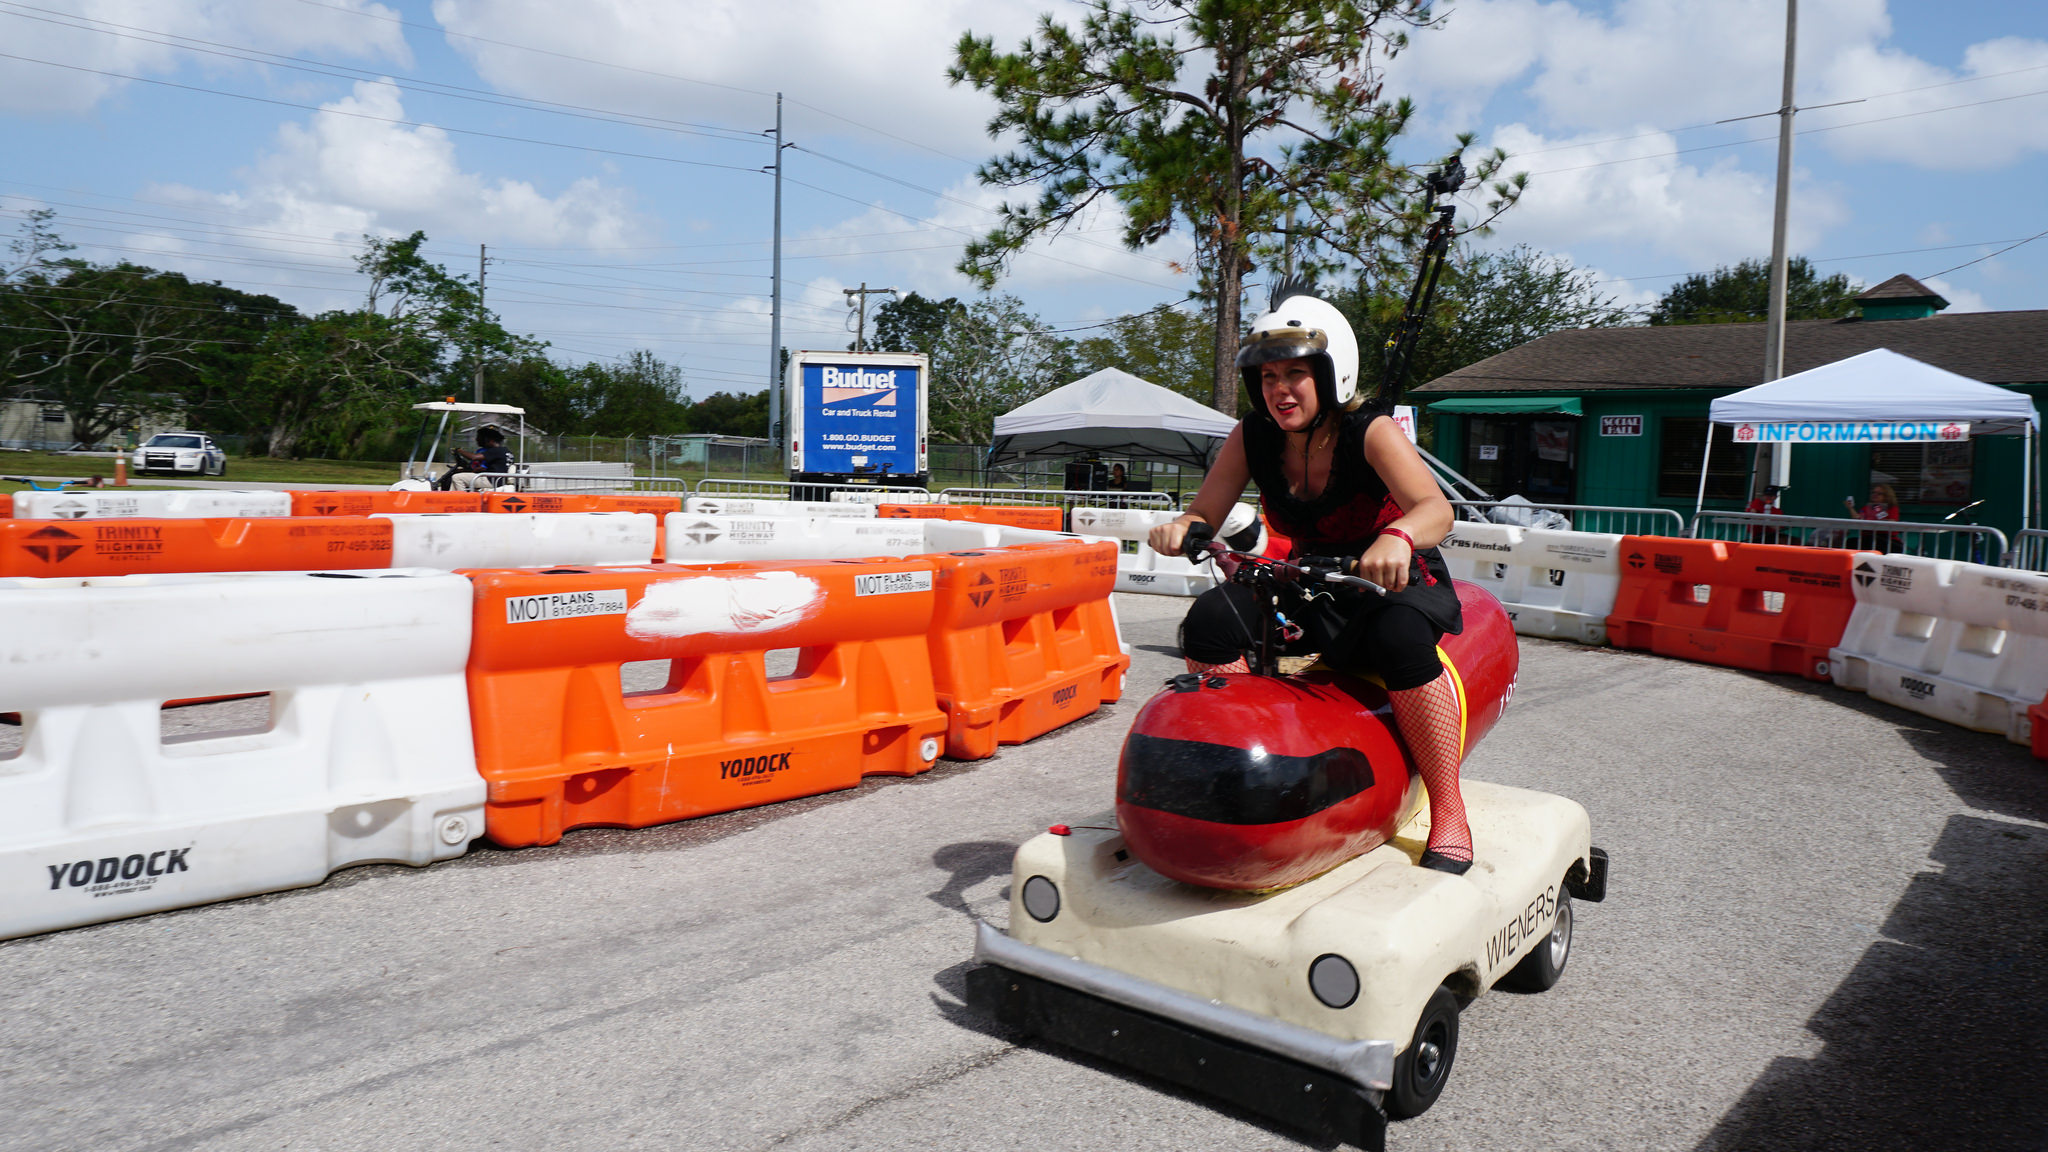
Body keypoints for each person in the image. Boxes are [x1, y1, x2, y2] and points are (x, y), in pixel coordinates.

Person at [1145, 291, 1473, 875]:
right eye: (1268, 376)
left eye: (1296, 372)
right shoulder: (1253, 435)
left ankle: (1449, 808)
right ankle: (1245, 769)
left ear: (1331, 374)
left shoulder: (1369, 431)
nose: (1279, 389)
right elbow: (1205, 514)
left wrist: (1397, 537)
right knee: (1211, 623)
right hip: (1306, 581)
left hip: (1389, 582)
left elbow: (1435, 509)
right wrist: (1181, 528)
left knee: (1401, 642)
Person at [441, 426, 510, 492]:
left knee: (457, 478)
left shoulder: (496, 450)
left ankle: (463, 500)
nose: (477, 440)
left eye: (480, 438)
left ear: (489, 440)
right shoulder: (506, 451)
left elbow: (474, 457)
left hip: (491, 480)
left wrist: (459, 450)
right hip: (497, 479)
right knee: (456, 478)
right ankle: (452, 500)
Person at [1844, 482, 1902, 551]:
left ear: (1887, 496)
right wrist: (1850, 508)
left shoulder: (1891, 508)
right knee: (1850, 542)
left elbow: (1892, 521)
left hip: (1886, 539)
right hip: (1868, 538)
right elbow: (1858, 518)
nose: (1875, 495)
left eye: (1879, 493)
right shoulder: (1866, 508)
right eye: (1873, 493)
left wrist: (1873, 521)